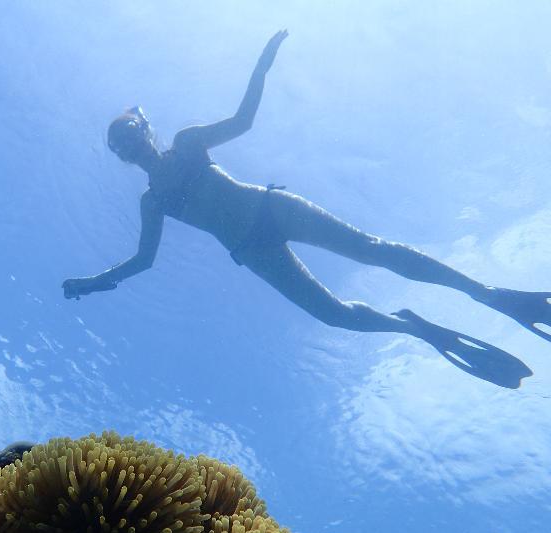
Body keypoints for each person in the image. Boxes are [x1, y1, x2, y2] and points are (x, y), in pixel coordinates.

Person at [62, 30, 549, 388]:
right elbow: (144, 260)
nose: (133, 146)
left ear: (145, 129)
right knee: (332, 315)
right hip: (251, 250)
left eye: (132, 134)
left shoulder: (188, 145)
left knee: (370, 249)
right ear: (125, 158)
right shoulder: (154, 201)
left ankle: (488, 294)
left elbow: (242, 121)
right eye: (123, 147)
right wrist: (94, 282)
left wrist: (261, 67)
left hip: (271, 208)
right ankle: (414, 328)